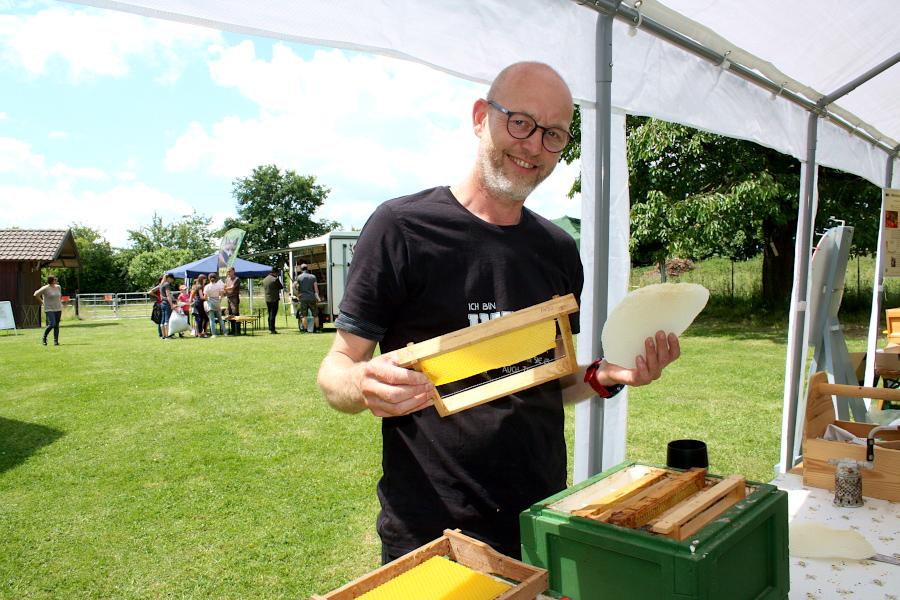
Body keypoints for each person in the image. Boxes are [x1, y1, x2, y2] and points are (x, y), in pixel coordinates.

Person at [317, 62, 681, 562]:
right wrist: (363, 383)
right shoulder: (401, 228)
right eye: (521, 122)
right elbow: (334, 369)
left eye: (553, 134)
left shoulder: (557, 249)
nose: (533, 145)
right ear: (479, 117)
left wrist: (605, 374)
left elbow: (545, 380)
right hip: (429, 534)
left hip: (539, 521)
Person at [34, 275, 63, 346]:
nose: (56, 280)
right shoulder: (45, 288)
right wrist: (42, 301)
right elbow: (36, 294)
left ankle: (56, 341)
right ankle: (44, 337)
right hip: (49, 308)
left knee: (56, 325)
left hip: (58, 308)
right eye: (55, 279)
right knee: (52, 324)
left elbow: (59, 296)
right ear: (51, 280)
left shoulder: (58, 287)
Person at [293, 263, 320, 333]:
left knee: (304, 315)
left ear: (301, 269)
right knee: (315, 315)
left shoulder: (299, 277)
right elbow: (316, 288)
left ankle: (305, 330)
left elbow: (295, 287)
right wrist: (317, 297)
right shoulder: (313, 277)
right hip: (312, 297)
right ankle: (317, 329)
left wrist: (297, 295)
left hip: (303, 298)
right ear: (307, 268)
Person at [204, 272, 227, 337]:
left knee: (212, 319)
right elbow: (222, 295)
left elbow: (205, 297)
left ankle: (214, 334)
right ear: (216, 278)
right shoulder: (218, 286)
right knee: (220, 319)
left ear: (209, 278)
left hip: (210, 302)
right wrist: (219, 299)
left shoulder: (207, 286)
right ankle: (225, 333)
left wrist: (208, 299)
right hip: (217, 302)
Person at [262, 268, 283, 334]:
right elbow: (281, 287)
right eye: (277, 273)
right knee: (273, 314)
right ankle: (272, 329)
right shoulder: (275, 279)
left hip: (267, 299)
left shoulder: (265, 279)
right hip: (274, 299)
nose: (277, 274)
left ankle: (270, 328)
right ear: (275, 272)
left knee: (270, 314)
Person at [224, 267, 241, 336]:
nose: (228, 273)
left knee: (235, 314)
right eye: (227, 272)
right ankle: (233, 330)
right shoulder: (227, 279)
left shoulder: (237, 279)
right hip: (228, 298)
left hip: (234, 298)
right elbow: (225, 287)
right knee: (230, 314)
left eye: (229, 271)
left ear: (233, 271)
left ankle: (237, 331)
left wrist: (224, 288)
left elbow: (232, 287)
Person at [159, 273, 177, 339]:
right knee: (167, 320)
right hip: (167, 303)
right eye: (172, 279)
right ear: (169, 278)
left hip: (162, 303)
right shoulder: (166, 284)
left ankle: (163, 336)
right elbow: (168, 296)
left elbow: (161, 296)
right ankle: (167, 336)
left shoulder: (161, 284)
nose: (172, 281)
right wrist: (171, 305)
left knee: (162, 320)